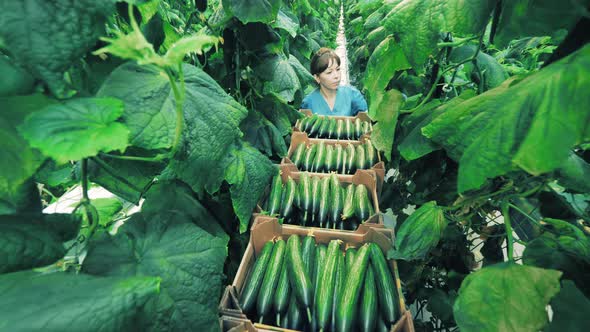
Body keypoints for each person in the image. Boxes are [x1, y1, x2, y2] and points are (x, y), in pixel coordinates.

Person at [300, 47, 368, 116]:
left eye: (338, 69)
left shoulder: (353, 95)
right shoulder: (308, 103)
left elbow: (365, 120)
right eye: (329, 72)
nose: (336, 76)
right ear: (317, 78)